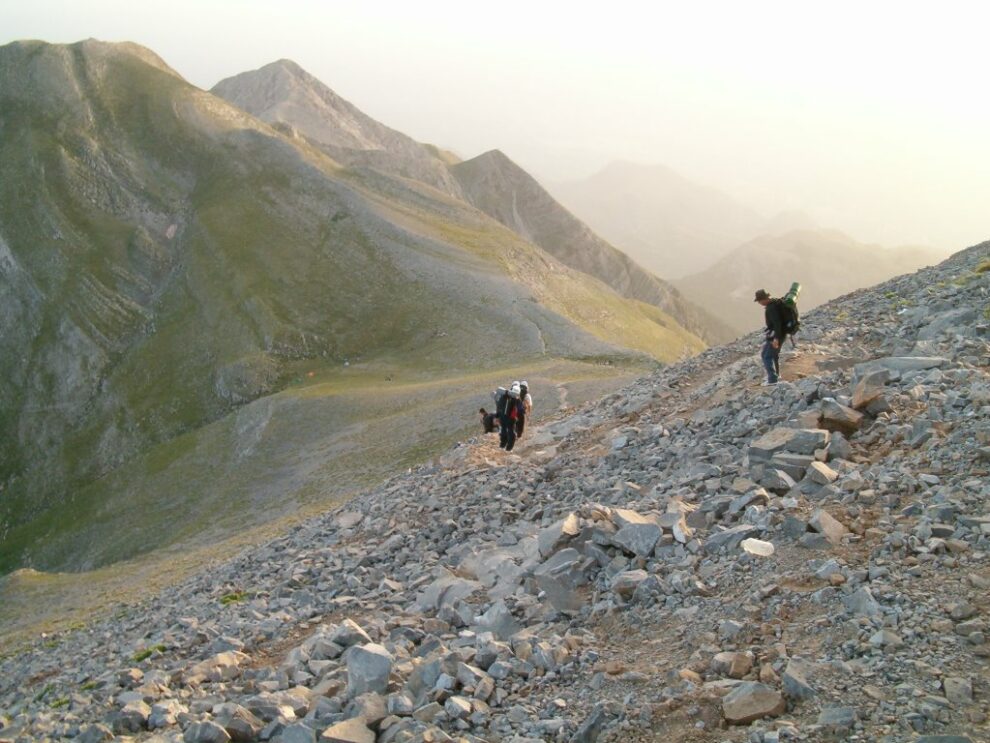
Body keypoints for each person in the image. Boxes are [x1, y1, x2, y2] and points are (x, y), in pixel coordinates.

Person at [755, 289, 785, 385]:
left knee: (766, 356)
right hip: (780, 334)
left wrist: (776, 338)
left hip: (775, 335)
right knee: (774, 355)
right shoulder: (776, 302)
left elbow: (777, 323)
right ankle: (776, 375)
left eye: (759, 301)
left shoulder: (771, 308)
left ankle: (772, 380)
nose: (759, 303)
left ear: (764, 299)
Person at [499, 384, 522, 451]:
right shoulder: (517, 400)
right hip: (511, 419)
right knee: (511, 433)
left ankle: (502, 445)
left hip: (503, 416)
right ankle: (508, 449)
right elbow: (520, 409)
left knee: (503, 430)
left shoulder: (504, 396)